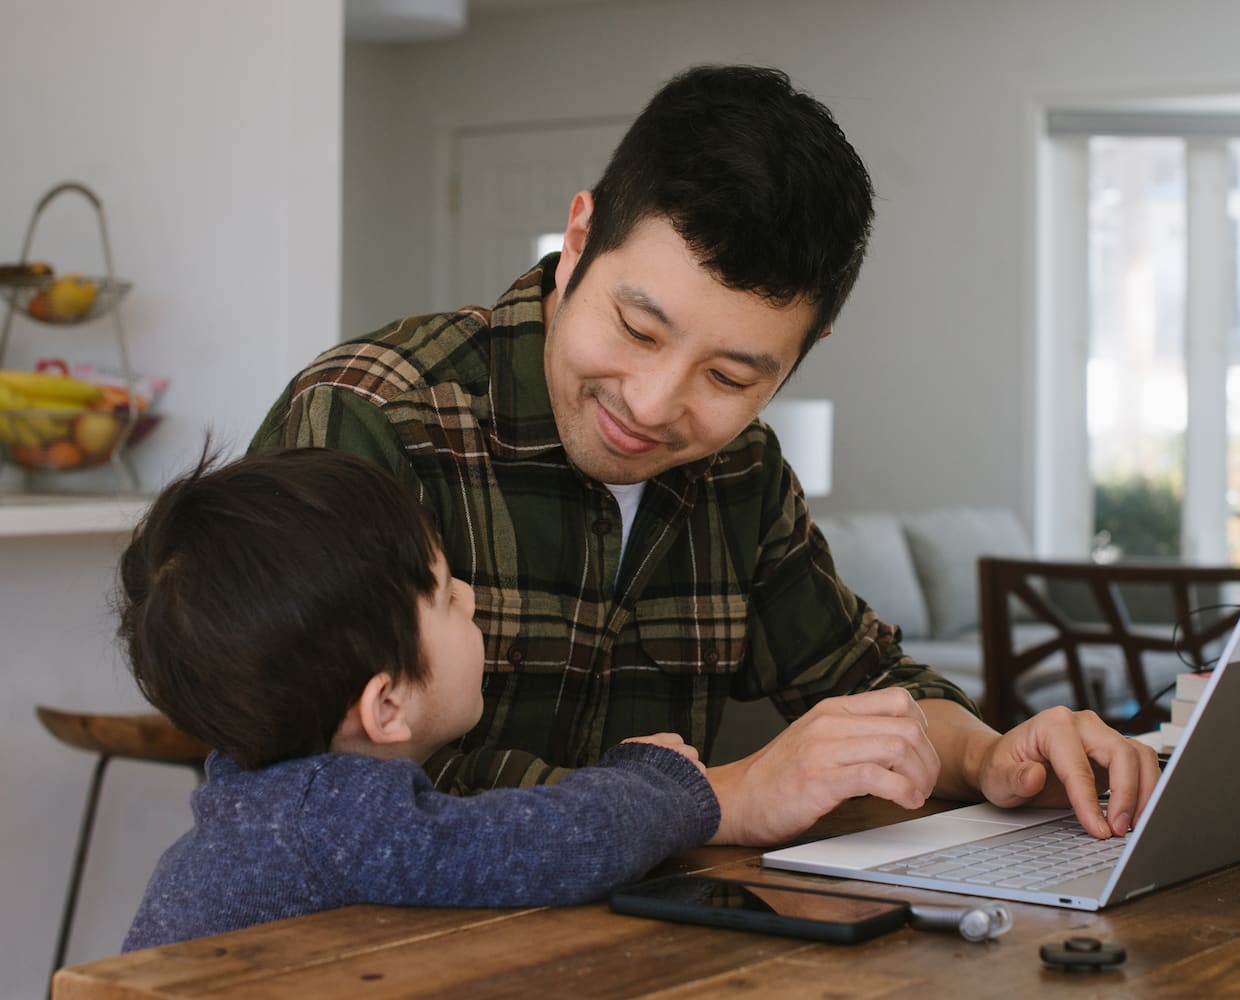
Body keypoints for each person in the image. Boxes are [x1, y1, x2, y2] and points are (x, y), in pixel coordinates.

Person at [250, 64, 1158, 847]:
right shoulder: (371, 418)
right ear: (576, 242)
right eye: (637, 328)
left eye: (728, 376)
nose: (652, 407)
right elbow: (327, 782)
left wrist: (990, 755)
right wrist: (721, 799)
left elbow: (863, 681)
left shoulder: (742, 475)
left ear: (802, 353)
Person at [116, 448, 718, 951]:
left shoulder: (259, 809)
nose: (471, 597)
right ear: (386, 707)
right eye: (443, 599)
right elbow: (573, 844)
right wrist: (660, 780)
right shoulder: (333, 823)